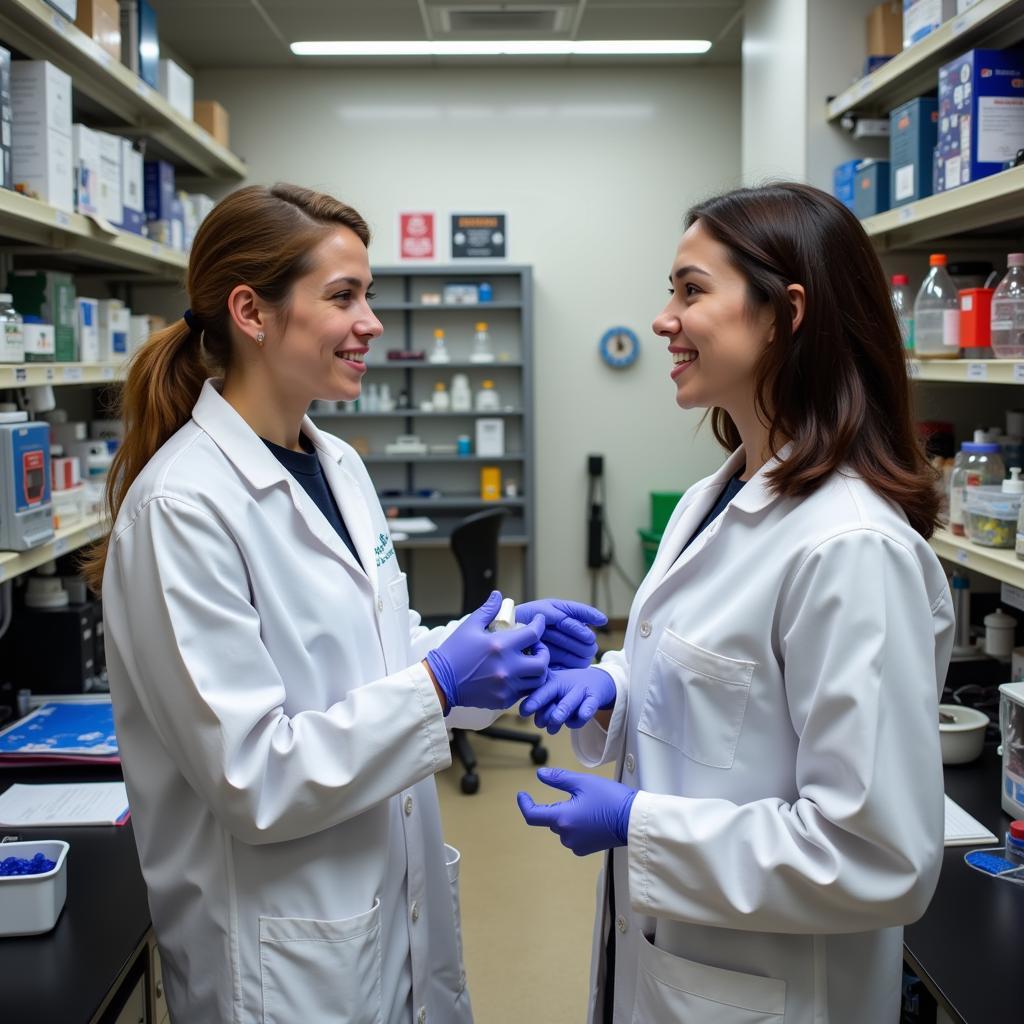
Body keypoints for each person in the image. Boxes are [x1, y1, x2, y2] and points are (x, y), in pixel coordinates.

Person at [84, 183, 605, 1024]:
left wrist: (497, 647)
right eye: (343, 297)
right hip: (275, 955)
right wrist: (438, 684)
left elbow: (376, 648)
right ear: (252, 311)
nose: (371, 323)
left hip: (382, 907)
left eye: (366, 294)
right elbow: (252, 777)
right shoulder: (183, 506)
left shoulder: (338, 467)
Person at [516, 182, 953, 1023]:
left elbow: (876, 855)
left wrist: (643, 825)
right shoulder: (711, 500)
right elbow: (731, 690)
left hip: (774, 994)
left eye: (690, 290)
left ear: (785, 314)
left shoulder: (851, 546)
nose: (662, 319)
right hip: (678, 964)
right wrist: (615, 682)